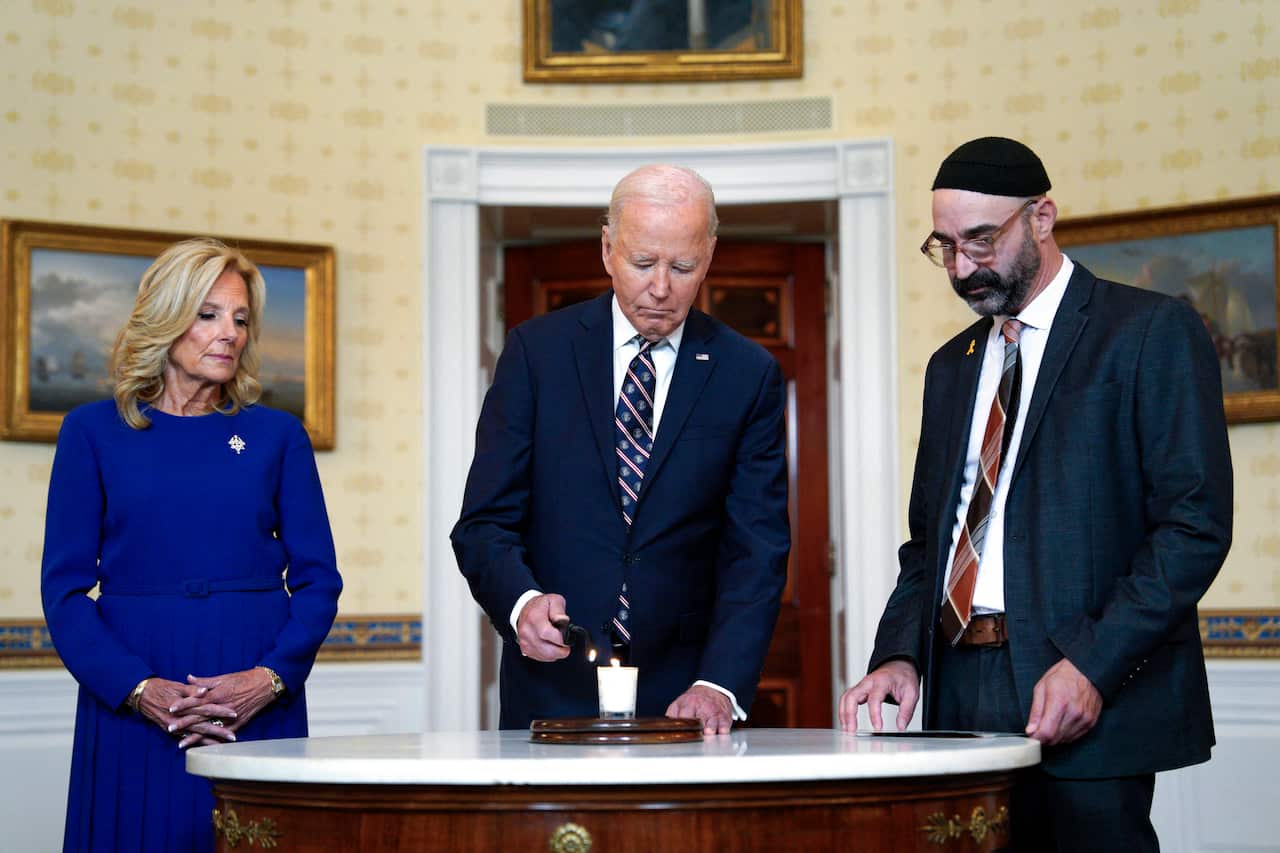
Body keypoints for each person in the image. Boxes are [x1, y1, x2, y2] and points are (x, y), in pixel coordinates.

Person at [838, 137, 1232, 851]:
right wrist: (899, 654)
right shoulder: (949, 367)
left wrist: (1093, 664)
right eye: (945, 246)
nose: (961, 267)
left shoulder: (1147, 331)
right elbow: (931, 542)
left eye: (981, 241)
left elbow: (1193, 525)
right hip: (959, 691)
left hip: (1083, 687)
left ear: (1042, 217)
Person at [452, 164, 790, 734]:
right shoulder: (537, 355)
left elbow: (755, 551)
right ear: (608, 249)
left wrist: (720, 684)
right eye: (642, 264)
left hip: (685, 694)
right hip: (553, 687)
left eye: (683, 267)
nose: (661, 288)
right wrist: (520, 604)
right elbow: (484, 524)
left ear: (708, 256)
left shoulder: (747, 373)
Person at [41, 238, 343, 852]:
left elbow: (318, 580)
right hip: (132, 687)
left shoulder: (277, 435)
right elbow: (65, 590)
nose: (228, 333)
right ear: (167, 318)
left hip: (256, 688)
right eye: (208, 315)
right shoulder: (92, 432)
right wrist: (136, 688)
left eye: (239, 319)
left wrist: (271, 678)